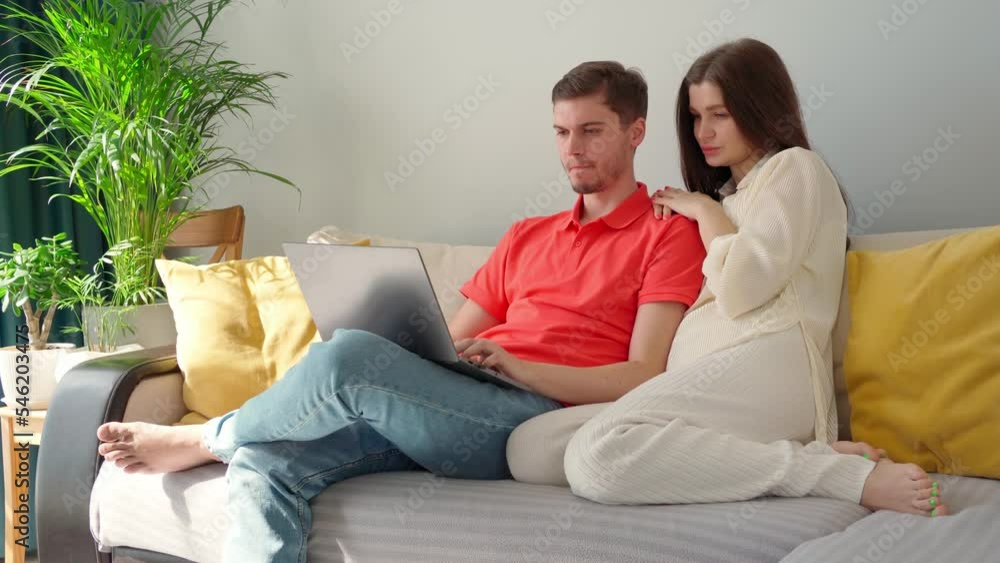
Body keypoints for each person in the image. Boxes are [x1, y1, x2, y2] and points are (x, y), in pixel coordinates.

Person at [95, 61, 712, 562]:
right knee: (266, 460)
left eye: (591, 131)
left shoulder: (666, 235)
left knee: (351, 358)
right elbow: (448, 338)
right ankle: (239, 442)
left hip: (533, 417)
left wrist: (520, 368)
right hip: (452, 399)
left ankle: (203, 438)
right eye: (561, 132)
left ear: (636, 132)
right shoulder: (529, 234)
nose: (571, 149)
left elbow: (642, 375)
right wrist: (405, 339)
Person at [506, 38, 948, 518]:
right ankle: (799, 454)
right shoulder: (727, 198)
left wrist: (702, 209)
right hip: (707, 386)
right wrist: (711, 206)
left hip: (766, 360)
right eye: (695, 117)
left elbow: (741, 288)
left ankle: (837, 476)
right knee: (529, 447)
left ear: (759, 108)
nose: (703, 132)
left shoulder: (796, 169)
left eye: (719, 114)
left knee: (596, 458)